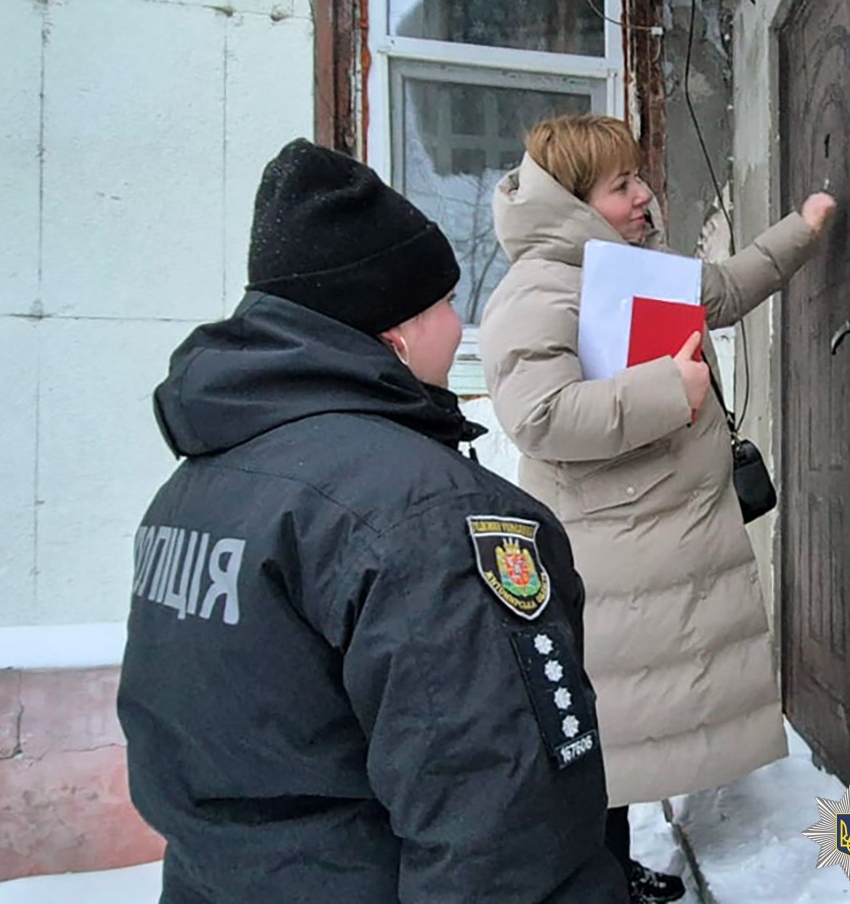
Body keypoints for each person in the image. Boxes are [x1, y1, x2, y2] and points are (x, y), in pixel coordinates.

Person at [117, 138, 628, 904]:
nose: (461, 327)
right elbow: (502, 829)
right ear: (394, 331)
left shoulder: (196, 487)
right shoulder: (427, 515)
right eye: (448, 305)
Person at [478, 114, 836, 903]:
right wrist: (670, 394)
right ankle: (591, 883)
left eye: (640, 179)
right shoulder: (542, 283)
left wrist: (803, 233)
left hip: (650, 540)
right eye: (621, 186)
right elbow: (538, 414)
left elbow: (722, 291)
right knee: (603, 734)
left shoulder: (621, 264)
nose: (645, 197)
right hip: (606, 553)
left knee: (625, 731)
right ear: (574, 200)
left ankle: (607, 873)